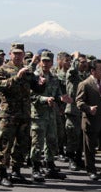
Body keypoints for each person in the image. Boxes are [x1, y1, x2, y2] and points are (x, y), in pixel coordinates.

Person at [0, 43, 45, 186]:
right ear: (10, 54)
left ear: (23, 55)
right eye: (15, 53)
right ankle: (3, 174)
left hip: (24, 113)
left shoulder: (28, 71)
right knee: (5, 144)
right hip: (8, 114)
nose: (17, 56)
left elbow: (36, 89)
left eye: (20, 54)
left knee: (22, 144)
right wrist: (16, 77)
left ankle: (16, 172)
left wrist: (42, 84)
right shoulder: (3, 69)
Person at [30, 51, 72, 181]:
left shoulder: (54, 78)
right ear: (39, 61)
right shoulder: (34, 77)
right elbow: (32, 96)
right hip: (39, 114)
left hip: (51, 114)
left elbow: (58, 94)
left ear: (52, 62)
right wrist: (45, 99)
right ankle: (36, 168)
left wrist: (62, 98)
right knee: (37, 143)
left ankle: (50, 166)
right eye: (43, 61)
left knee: (52, 141)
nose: (45, 63)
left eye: (48, 61)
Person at [76, 59, 101, 180]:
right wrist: (88, 108)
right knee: (90, 147)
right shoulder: (85, 84)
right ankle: (91, 170)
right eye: (100, 69)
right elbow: (79, 102)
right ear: (92, 71)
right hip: (92, 119)